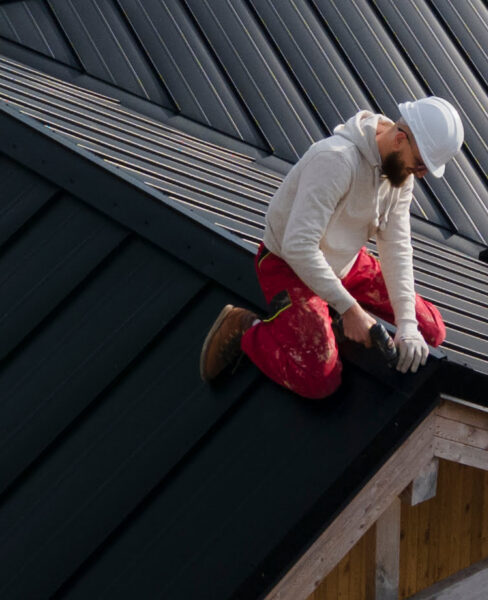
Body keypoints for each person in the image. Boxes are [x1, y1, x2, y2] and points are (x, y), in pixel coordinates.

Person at [198, 98, 462, 399]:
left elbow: (397, 247)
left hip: (345, 262)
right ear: (400, 138)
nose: (421, 174)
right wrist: (349, 310)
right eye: (420, 164)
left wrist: (407, 325)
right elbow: (297, 246)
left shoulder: (399, 174)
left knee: (431, 330)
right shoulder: (336, 160)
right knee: (319, 380)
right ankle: (246, 328)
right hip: (290, 266)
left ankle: (333, 316)